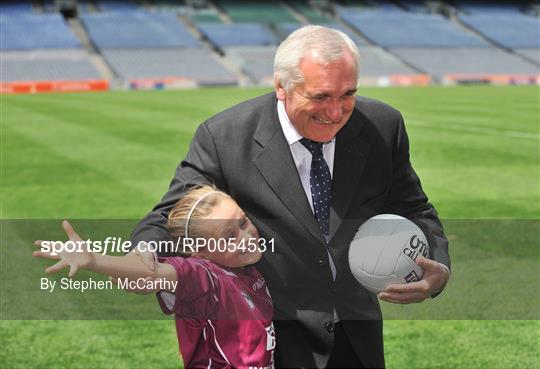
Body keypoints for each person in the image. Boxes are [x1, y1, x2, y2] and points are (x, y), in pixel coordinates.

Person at [130, 25, 451, 368]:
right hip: (272, 338)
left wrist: (439, 268)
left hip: (358, 340)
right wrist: (144, 252)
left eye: (347, 94)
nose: (336, 112)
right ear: (281, 87)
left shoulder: (382, 126)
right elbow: (170, 215)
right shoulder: (224, 138)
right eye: (320, 97)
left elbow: (413, 207)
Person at [34, 186, 275, 369]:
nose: (246, 236)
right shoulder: (205, 277)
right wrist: (95, 261)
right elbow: (153, 274)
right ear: (199, 252)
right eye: (228, 237)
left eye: (243, 222)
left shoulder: (244, 269)